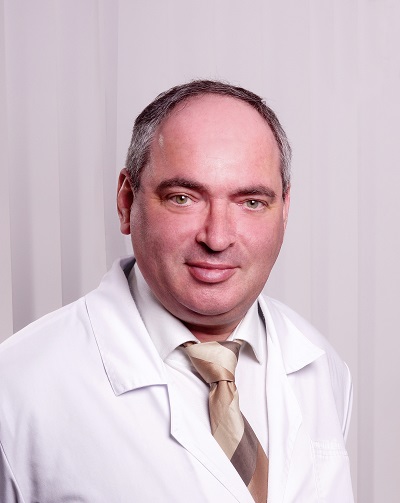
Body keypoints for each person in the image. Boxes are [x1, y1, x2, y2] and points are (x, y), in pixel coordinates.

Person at [0, 80, 354, 502]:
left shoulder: (322, 366)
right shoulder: (18, 388)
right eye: (183, 198)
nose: (217, 238)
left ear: (284, 209)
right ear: (126, 201)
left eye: (251, 202)